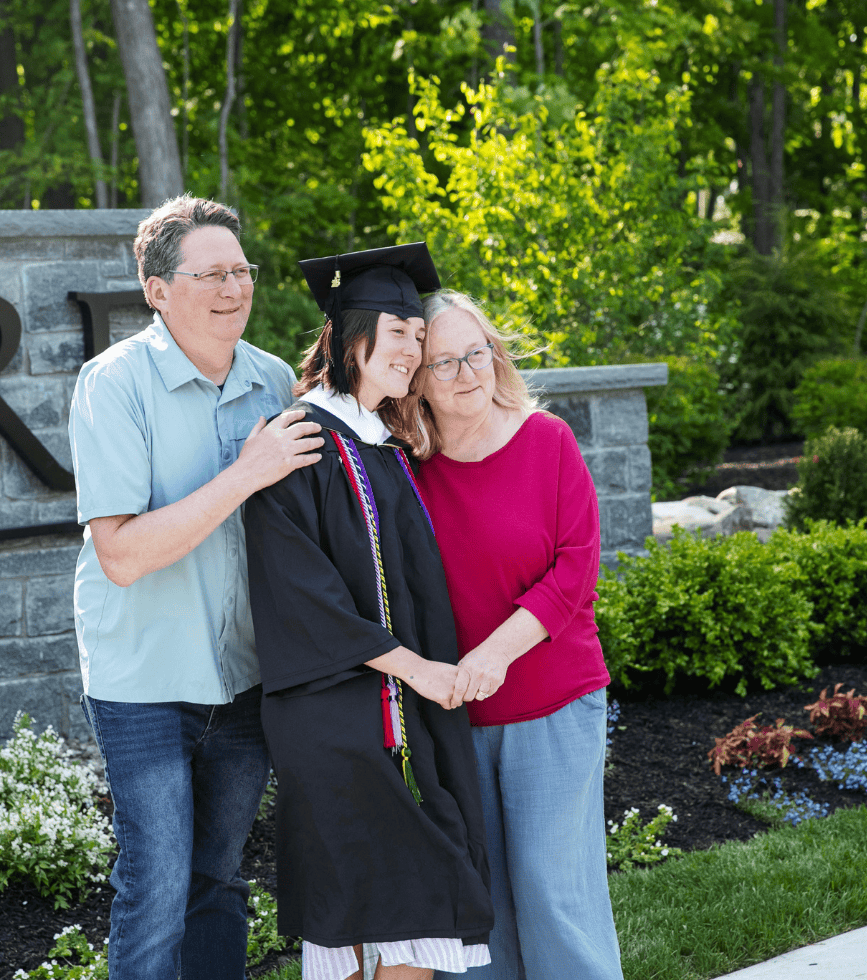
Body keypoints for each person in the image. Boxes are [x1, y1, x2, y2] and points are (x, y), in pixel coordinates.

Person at [67, 195, 325, 980]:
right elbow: (122, 554)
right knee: (156, 887)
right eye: (209, 273)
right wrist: (246, 474)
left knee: (220, 880)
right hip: (144, 682)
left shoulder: (275, 381)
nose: (233, 288)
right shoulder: (112, 385)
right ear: (156, 290)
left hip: (245, 678)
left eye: (241, 270)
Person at [243, 244, 494, 980]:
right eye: (398, 334)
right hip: (340, 718)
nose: (413, 352)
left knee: (390, 912)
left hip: (397, 707)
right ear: (353, 337)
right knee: (387, 905)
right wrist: (416, 671)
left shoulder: (384, 444)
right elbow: (304, 599)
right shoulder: (301, 443)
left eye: (419, 337)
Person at [413, 290, 624, 980]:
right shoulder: (406, 468)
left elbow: (575, 569)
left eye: (476, 353)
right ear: (416, 379)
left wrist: (493, 655)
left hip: (553, 702)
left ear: (495, 355)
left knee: (552, 892)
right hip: (453, 714)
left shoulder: (546, 439)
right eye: (443, 363)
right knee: (481, 905)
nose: (466, 372)